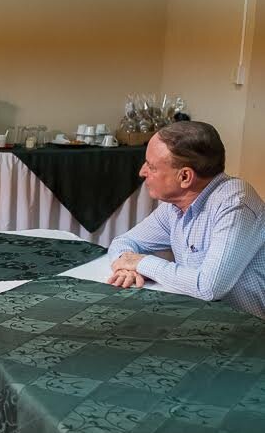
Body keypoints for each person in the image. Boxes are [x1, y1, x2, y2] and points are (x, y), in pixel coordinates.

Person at [107, 121, 264, 318]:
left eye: (151, 166)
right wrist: (127, 269)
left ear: (185, 177)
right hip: (203, 321)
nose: (142, 172)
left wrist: (142, 263)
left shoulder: (236, 203)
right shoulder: (175, 207)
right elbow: (124, 242)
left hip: (251, 334)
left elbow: (209, 287)